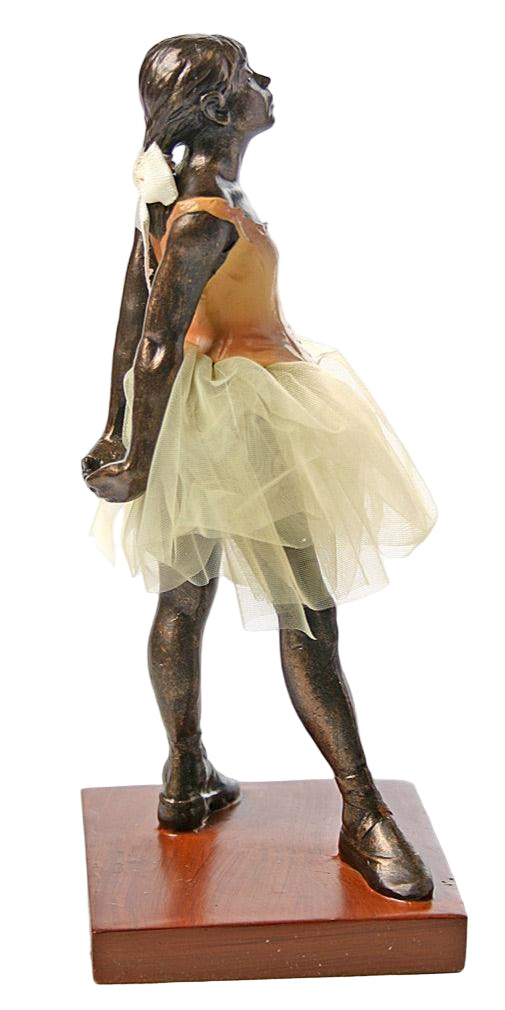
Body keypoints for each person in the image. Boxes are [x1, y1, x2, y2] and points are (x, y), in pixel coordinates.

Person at [82, 35, 437, 901]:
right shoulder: (204, 214)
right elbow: (153, 338)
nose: (265, 84)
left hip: (203, 422)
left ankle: (186, 776)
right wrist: (129, 452)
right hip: (243, 421)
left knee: (185, 599)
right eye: (248, 77)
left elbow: (132, 322)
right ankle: (361, 810)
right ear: (218, 107)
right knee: (304, 614)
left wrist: (122, 433)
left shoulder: (178, 204)